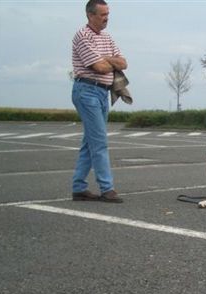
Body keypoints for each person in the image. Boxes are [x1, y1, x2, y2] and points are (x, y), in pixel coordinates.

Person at [71, 0, 127, 203]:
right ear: (90, 15)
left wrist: (106, 58)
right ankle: (107, 189)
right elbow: (100, 67)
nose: (106, 18)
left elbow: (123, 63)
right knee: (100, 142)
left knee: (90, 143)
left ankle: (78, 187)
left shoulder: (106, 37)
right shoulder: (82, 36)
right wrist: (109, 60)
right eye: (102, 15)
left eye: (107, 14)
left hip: (103, 93)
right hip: (87, 91)